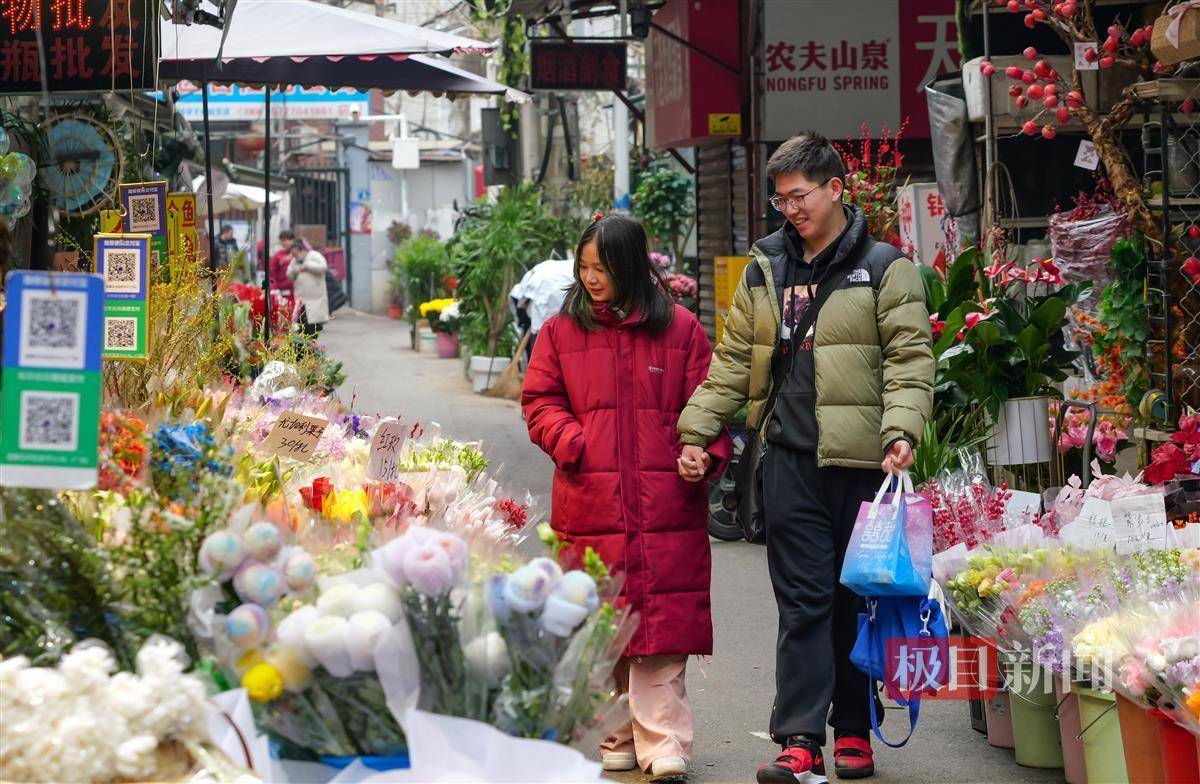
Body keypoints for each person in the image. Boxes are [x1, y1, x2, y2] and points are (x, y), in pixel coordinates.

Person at [676, 132, 934, 783]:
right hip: (788, 460)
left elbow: (909, 358)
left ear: (836, 189)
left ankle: (852, 730)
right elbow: (732, 362)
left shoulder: (883, 267)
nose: (790, 209)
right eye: (781, 198)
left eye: (800, 195)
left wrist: (902, 427)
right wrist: (695, 430)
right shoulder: (765, 268)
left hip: (860, 467)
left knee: (850, 600)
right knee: (803, 603)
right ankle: (797, 738)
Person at [522, 215, 731, 784]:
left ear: (632, 267)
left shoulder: (682, 329)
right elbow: (540, 400)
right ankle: (616, 734)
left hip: (666, 502)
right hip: (591, 496)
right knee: (604, 622)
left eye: (603, 269)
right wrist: (574, 442)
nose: (591, 279)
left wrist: (701, 452)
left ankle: (663, 742)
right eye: (584, 268)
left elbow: (708, 405)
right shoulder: (560, 333)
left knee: (662, 626)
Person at [286, 240, 330, 337]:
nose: (295, 256)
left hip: (315, 300)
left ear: (302, 250)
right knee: (301, 328)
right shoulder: (294, 261)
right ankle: (306, 349)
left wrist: (306, 266)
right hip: (301, 300)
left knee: (313, 328)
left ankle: (312, 349)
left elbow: (323, 267)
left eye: (296, 253)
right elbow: (289, 274)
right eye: (293, 254)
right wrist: (294, 271)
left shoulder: (314, 256)